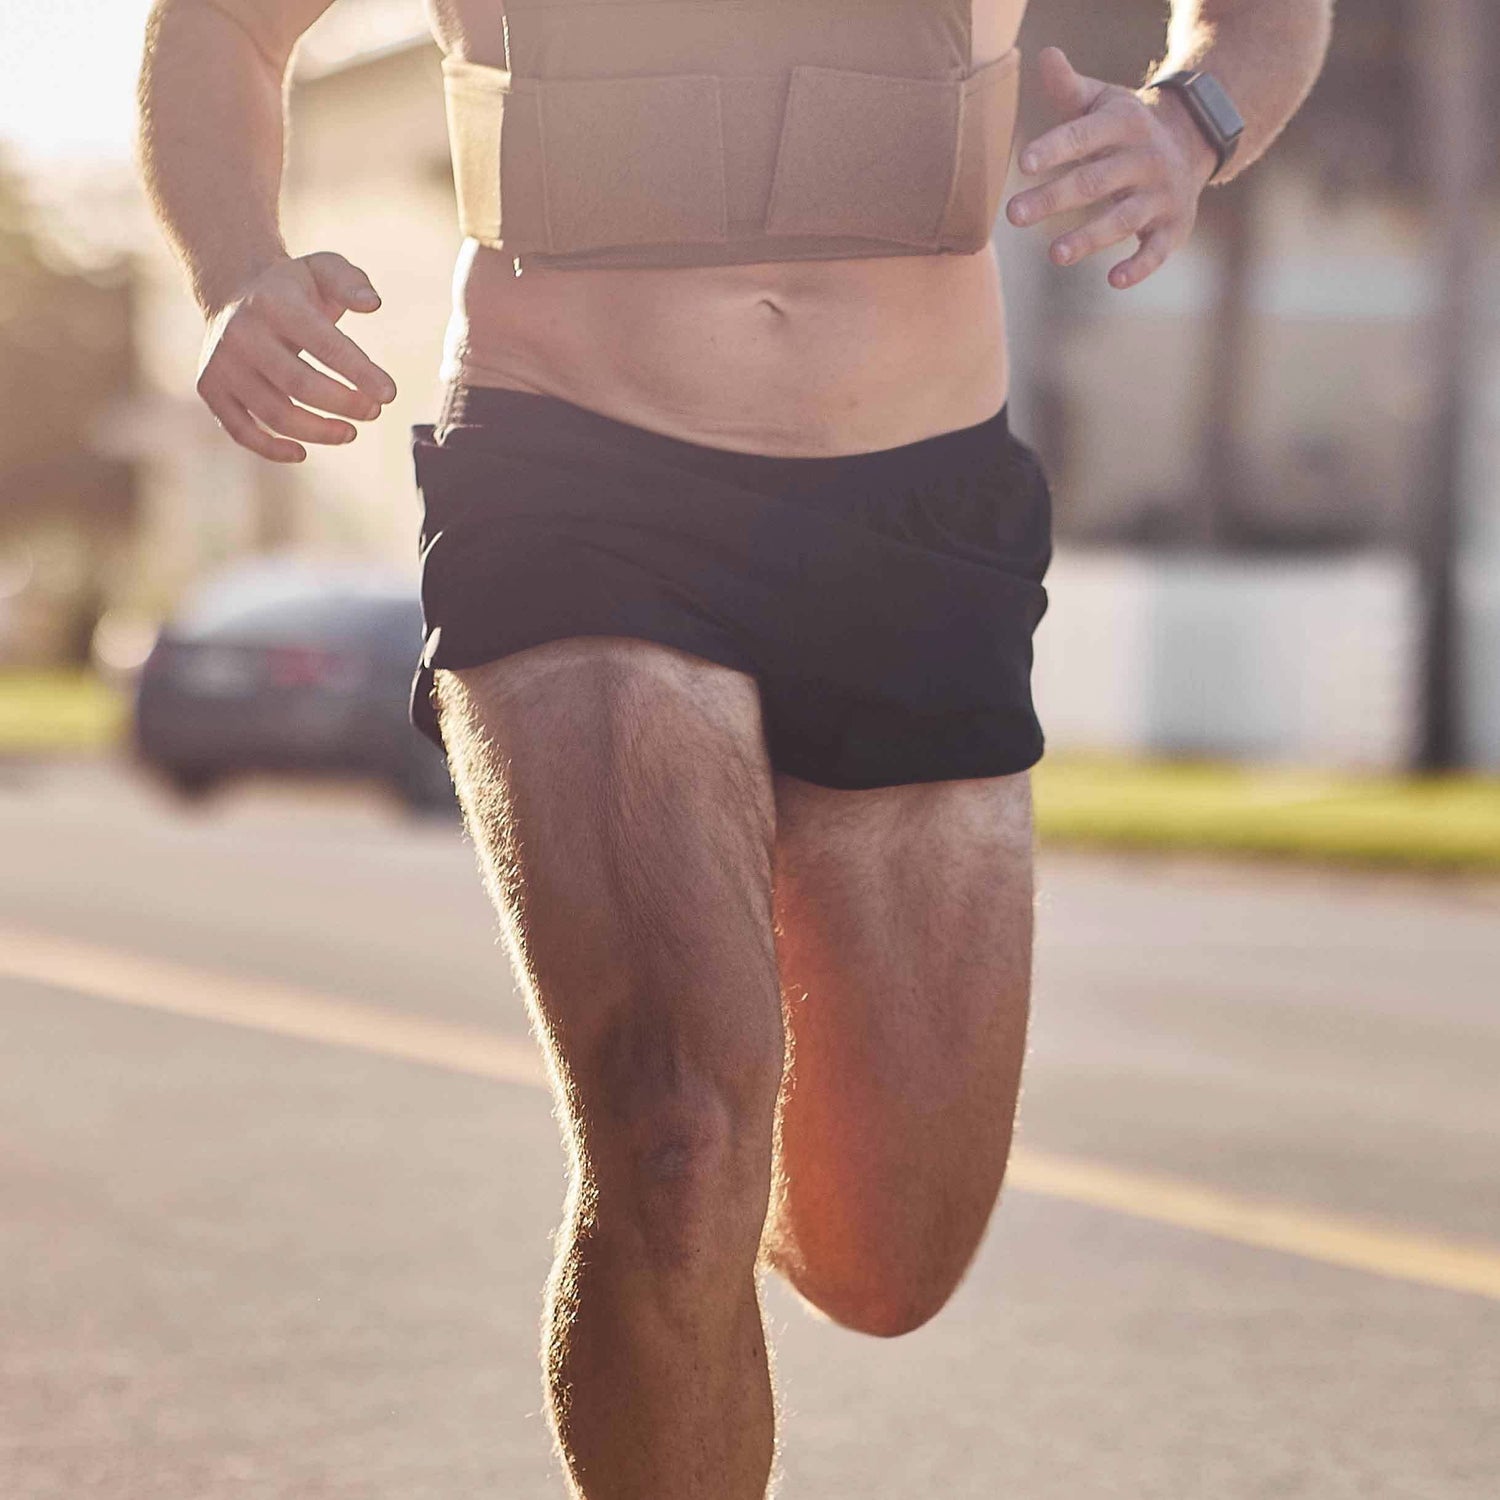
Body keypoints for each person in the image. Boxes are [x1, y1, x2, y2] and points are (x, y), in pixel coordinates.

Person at [137, 1, 1331, 1494]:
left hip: (917, 499)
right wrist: (235, 268)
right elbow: (228, 25)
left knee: (884, 1256)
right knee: (678, 1144)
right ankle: (673, 1143)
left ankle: (701, 1117)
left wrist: (1191, 120)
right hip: (576, 467)